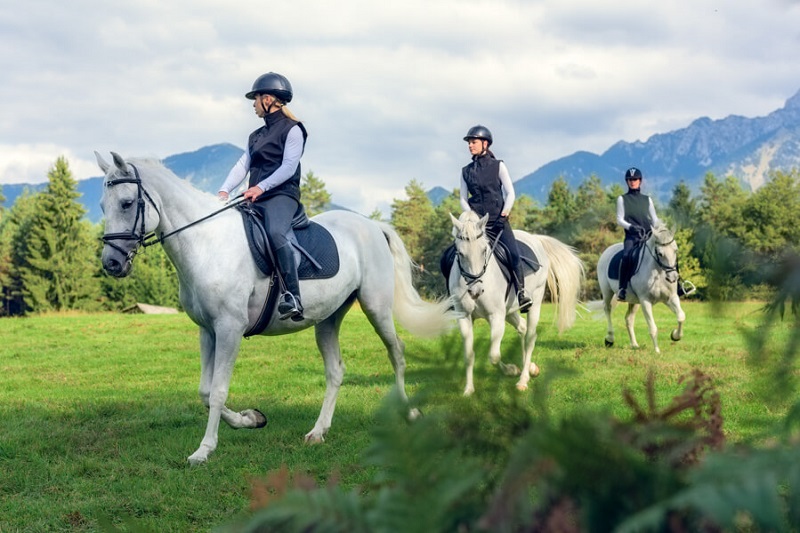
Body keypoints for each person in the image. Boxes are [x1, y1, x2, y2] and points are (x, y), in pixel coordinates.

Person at [218, 72, 308, 321]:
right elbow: (242, 165)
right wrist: (225, 190)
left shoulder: (294, 130)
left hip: (282, 195)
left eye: (255, 99)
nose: (253, 105)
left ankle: (293, 296)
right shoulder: (255, 135)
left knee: (276, 233)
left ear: (267, 100)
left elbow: (289, 167)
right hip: (254, 196)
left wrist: (261, 188)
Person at [459, 125, 532, 312]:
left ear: (485, 143)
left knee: (514, 254)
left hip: (498, 222)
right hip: (476, 226)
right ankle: (453, 297)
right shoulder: (465, 171)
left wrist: (504, 214)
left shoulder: (498, 165)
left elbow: (510, 193)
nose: (470, 145)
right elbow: (463, 198)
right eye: (469, 142)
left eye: (473, 142)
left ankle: (522, 294)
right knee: (454, 254)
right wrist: (472, 220)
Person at [615, 167, 660, 301]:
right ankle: (622, 288)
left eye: (635, 179)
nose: (632, 182)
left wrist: (659, 229)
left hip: (648, 235)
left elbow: (654, 218)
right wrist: (630, 227)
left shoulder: (648, 199)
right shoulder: (622, 199)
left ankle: (678, 285)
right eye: (630, 180)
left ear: (640, 181)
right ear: (627, 182)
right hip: (632, 237)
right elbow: (619, 219)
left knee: (667, 252)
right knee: (626, 256)